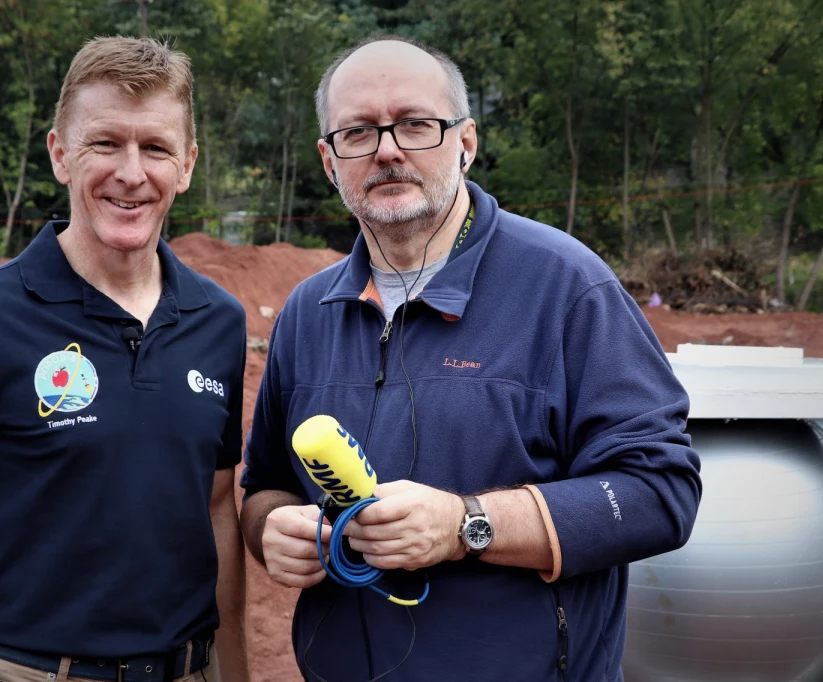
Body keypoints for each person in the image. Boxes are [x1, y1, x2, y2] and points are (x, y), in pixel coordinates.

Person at [239, 35, 701, 682]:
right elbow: (265, 485)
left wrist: (467, 525)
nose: (387, 149)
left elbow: (660, 492)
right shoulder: (306, 313)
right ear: (328, 160)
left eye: (415, 124)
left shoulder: (566, 287)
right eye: (358, 132)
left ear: (466, 141)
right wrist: (273, 531)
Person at [0, 37, 250, 682]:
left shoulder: (219, 321)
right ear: (60, 155)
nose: (131, 173)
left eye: (156, 148)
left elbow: (217, 511)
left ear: (186, 165)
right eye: (106, 143)